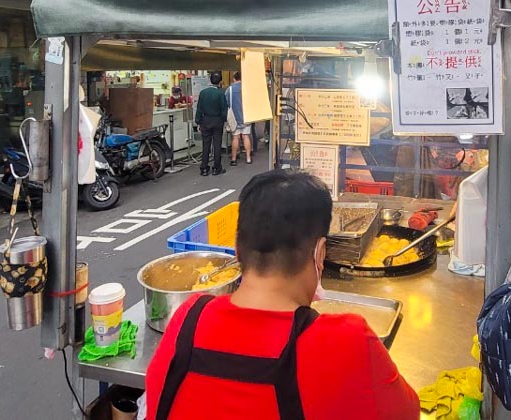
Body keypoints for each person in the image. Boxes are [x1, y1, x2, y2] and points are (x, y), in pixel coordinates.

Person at [143, 170, 419, 420]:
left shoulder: (187, 319)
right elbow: (407, 413)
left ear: (237, 249)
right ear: (320, 253)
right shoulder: (346, 340)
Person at [195, 73, 228, 177]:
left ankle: (204, 168)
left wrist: (198, 121)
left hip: (205, 120)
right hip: (217, 121)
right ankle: (216, 168)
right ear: (220, 82)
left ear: (210, 80)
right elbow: (224, 109)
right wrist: (224, 120)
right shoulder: (220, 93)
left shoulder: (203, 93)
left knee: (206, 145)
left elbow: (199, 108)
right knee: (217, 144)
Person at [227, 72, 253, 167]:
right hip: (246, 117)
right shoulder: (247, 89)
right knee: (246, 136)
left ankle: (233, 159)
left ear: (234, 78)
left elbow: (226, 103)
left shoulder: (229, 90)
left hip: (234, 118)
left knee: (235, 137)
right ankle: (248, 158)